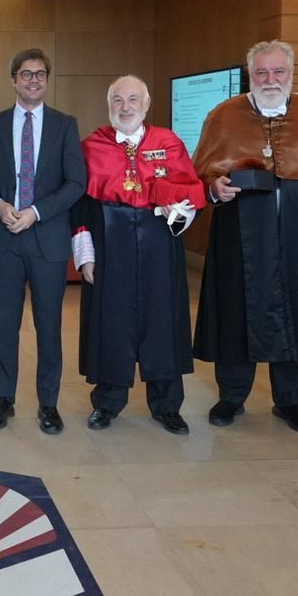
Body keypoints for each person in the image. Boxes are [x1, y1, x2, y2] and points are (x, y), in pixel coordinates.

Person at [192, 40, 298, 433]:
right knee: (234, 310)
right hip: (237, 231)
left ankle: (290, 400)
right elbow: (203, 173)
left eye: (278, 72)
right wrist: (214, 189)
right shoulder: (223, 114)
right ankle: (232, 396)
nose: (270, 79)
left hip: (297, 230)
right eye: (261, 72)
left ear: (291, 74)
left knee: (294, 310)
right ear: (251, 74)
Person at [72, 75, 205, 433]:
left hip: (159, 244)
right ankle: (108, 402)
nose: (125, 107)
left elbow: (191, 190)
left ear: (146, 105)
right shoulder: (91, 146)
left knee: (162, 320)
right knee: (110, 321)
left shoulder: (169, 143)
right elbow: (80, 206)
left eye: (133, 100)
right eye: (118, 100)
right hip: (108, 243)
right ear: (109, 105)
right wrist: (85, 254)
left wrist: (179, 213)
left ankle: (167, 405)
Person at [0, 48, 85, 433]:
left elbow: (76, 183)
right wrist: (0, 204)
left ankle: (48, 403)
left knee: (49, 326)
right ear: (14, 80)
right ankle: (3, 399)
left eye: (40, 74)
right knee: (5, 326)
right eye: (26, 73)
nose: (33, 80)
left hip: (47, 238)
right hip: (5, 241)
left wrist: (35, 212)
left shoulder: (65, 125)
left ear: (46, 81)